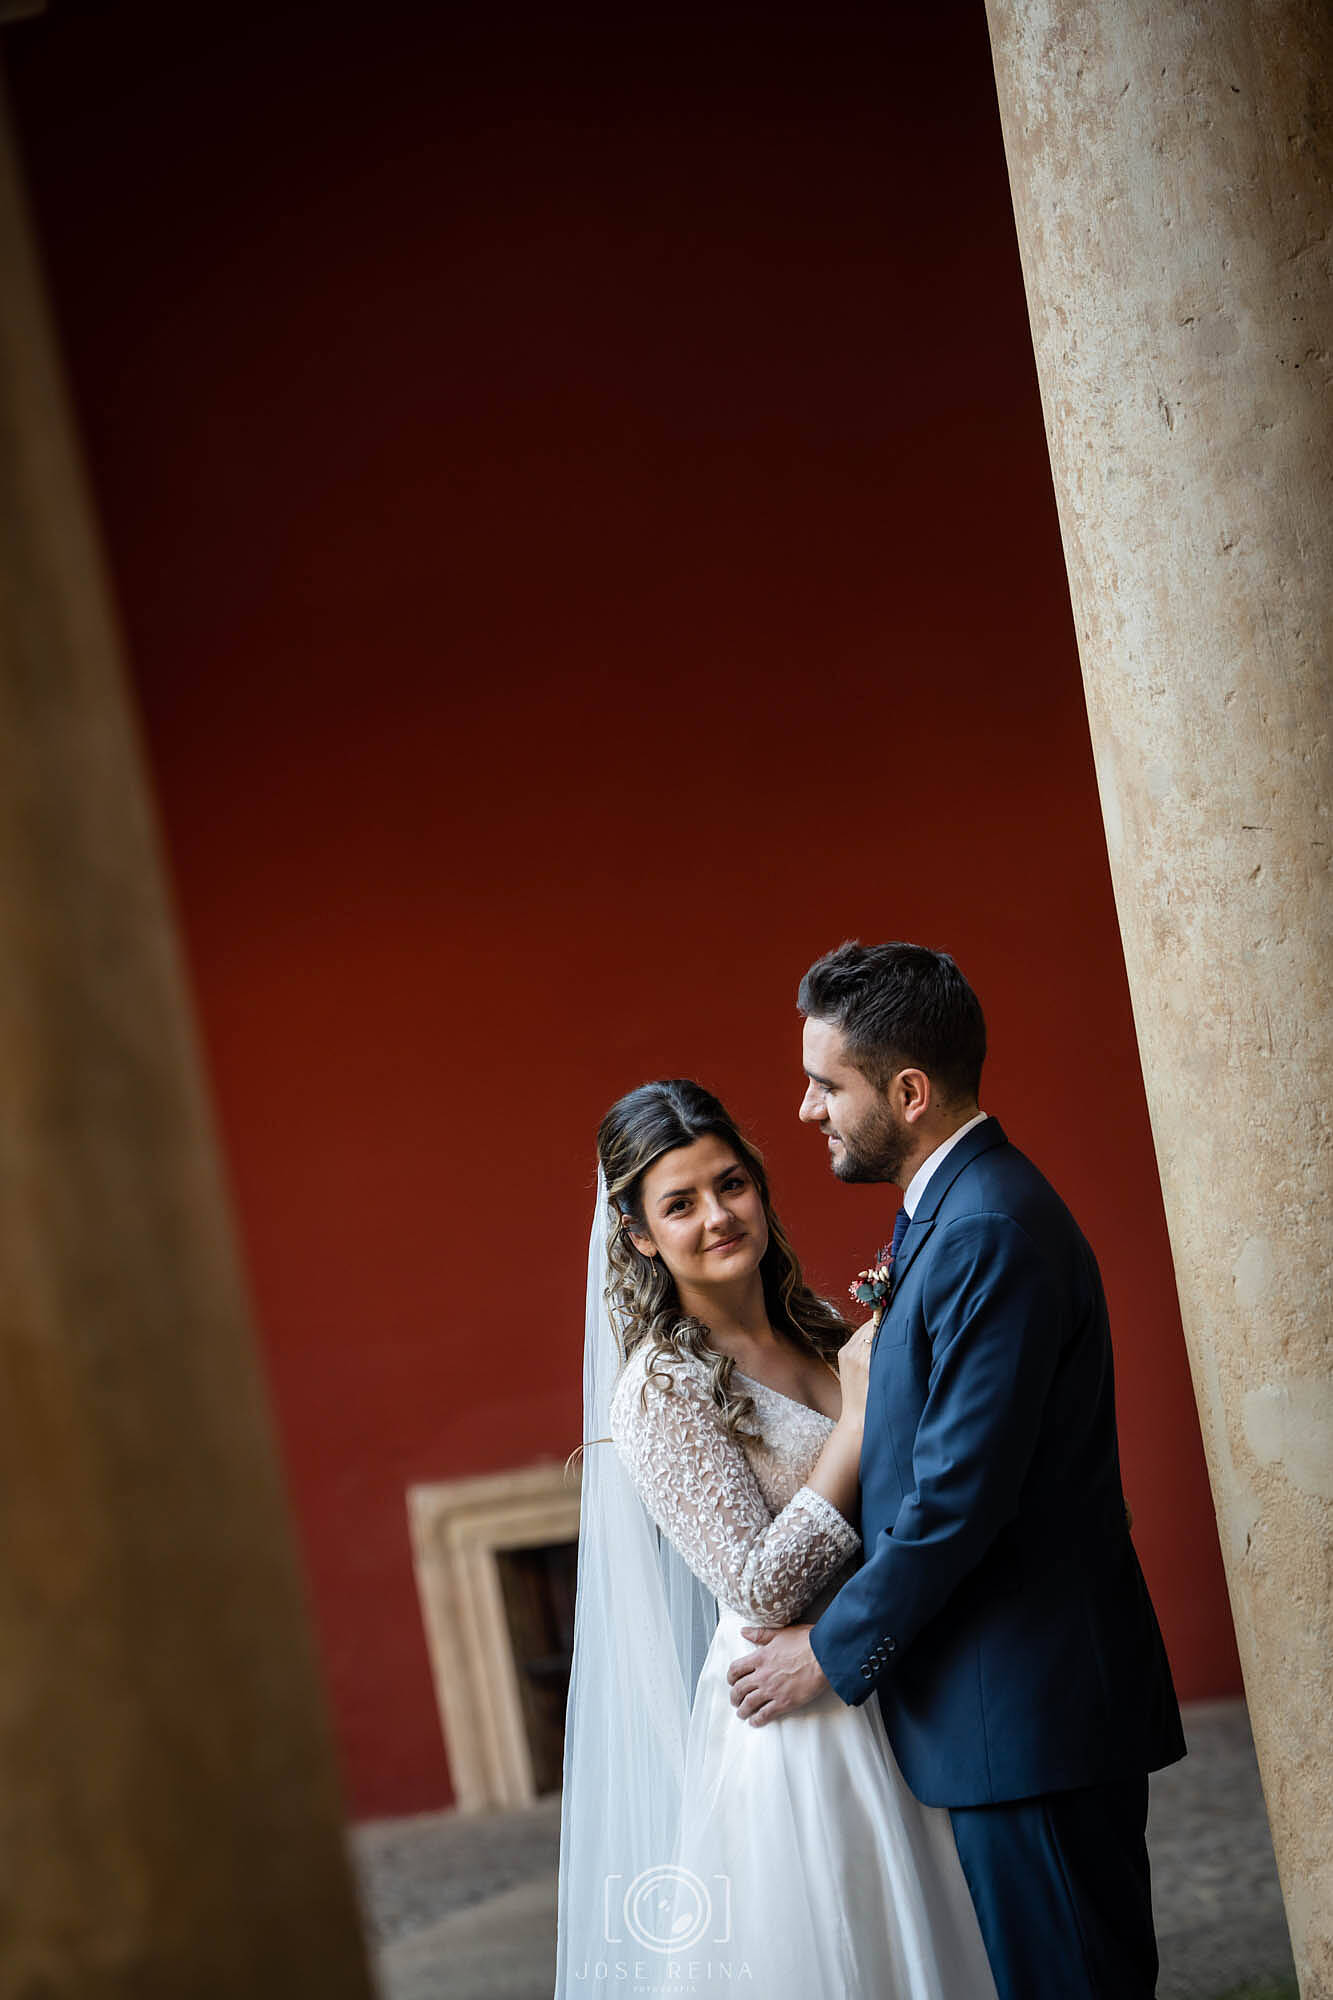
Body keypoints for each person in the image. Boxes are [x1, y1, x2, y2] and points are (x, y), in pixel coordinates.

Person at [726, 940, 1187, 2000]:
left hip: (1027, 1710)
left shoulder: (985, 1227)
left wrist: (829, 1650)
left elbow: (957, 1494)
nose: (806, 1109)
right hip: (1006, 1709)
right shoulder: (956, 1209)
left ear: (908, 1092)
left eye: (826, 1084)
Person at [554, 1078, 997, 2000]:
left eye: (730, 1184)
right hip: (800, 1725)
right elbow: (756, 1587)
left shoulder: (821, 1330)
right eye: (679, 1204)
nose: (718, 1216)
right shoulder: (661, 1389)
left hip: (896, 1678)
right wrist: (853, 1427)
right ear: (639, 1236)